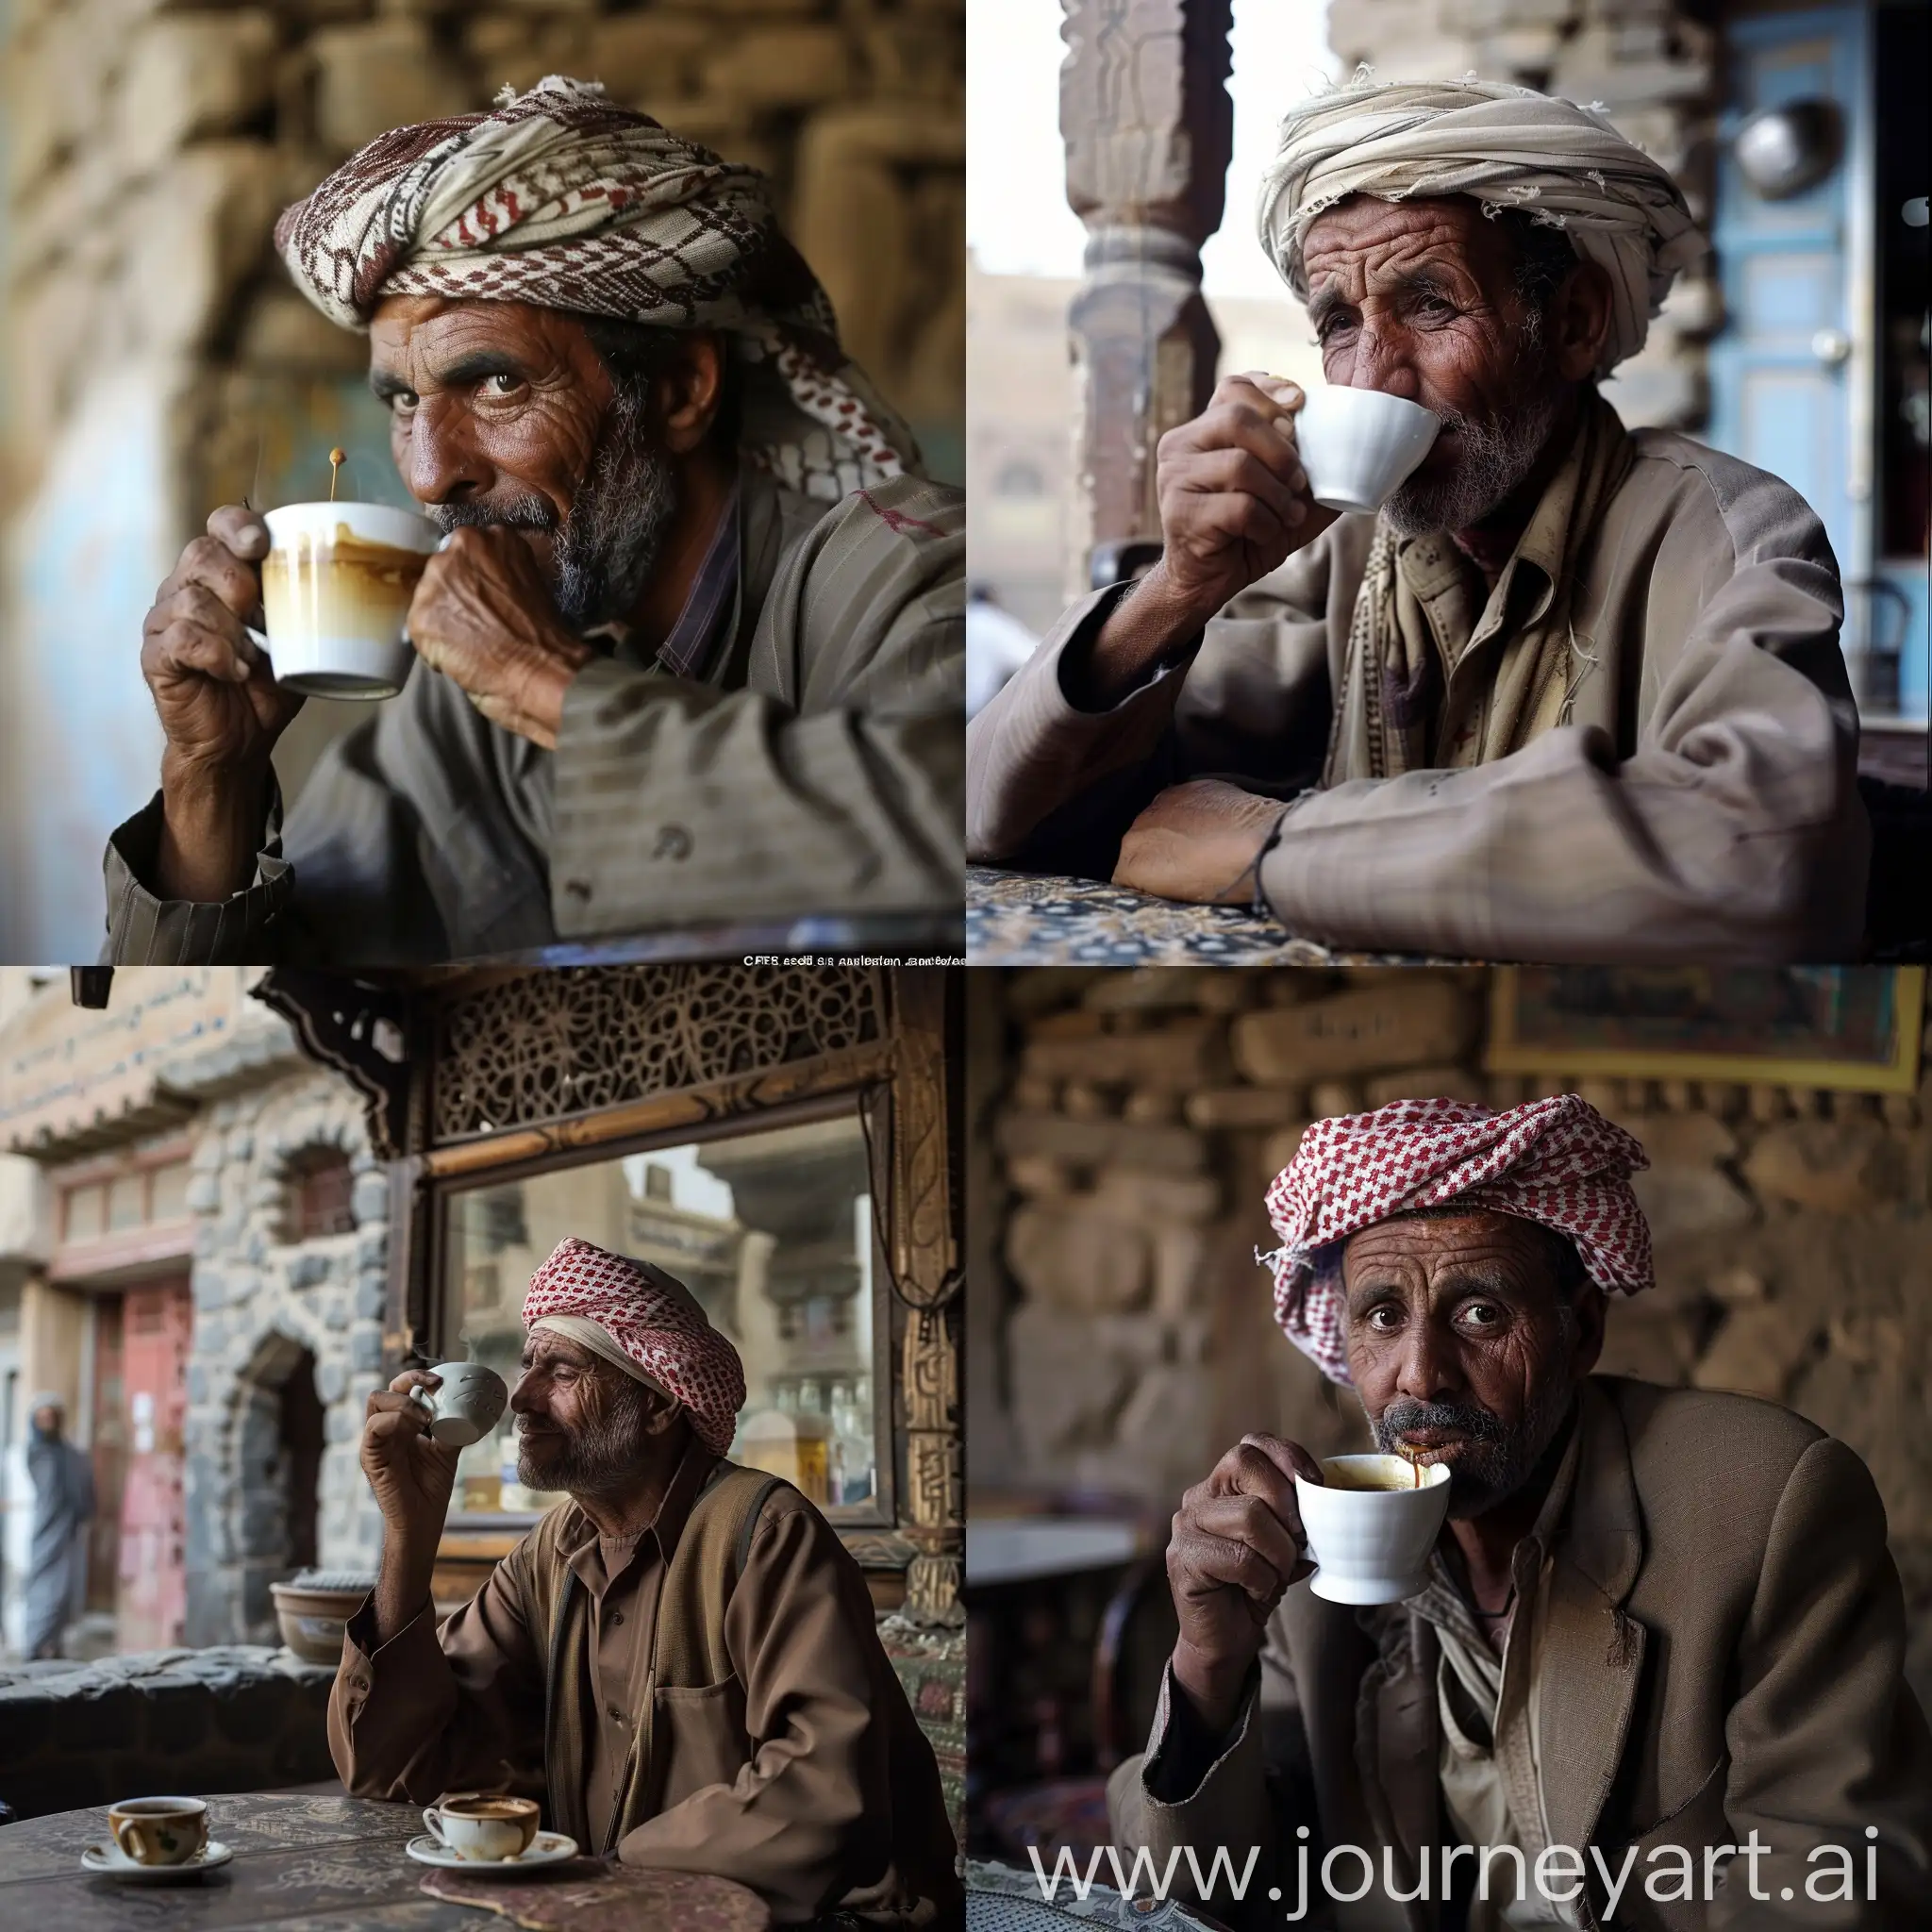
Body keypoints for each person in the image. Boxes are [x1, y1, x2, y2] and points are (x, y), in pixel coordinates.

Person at [968, 77, 1871, 963]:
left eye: (1431, 305)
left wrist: (1278, 848)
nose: (1370, 377)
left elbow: (1773, 860)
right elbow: (986, 809)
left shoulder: (1724, 530)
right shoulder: (1338, 550)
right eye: (1338, 324)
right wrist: (1177, 592)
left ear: (1574, 322)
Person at [108, 75, 963, 965]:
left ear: (679, 392)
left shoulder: (905, 575)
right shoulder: (461, 714)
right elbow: (285, 995)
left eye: (497, 383)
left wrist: (542, 682)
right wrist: (212, 780)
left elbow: (957, 853)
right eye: (404, 402)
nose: (433, 476)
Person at [1109, 1096, 1932, 1928]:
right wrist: (1209, 1663)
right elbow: (1210, 1893)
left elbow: (1841, 1880)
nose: (1421, 1374)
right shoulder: (1309, 1532)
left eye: (1479, 1313)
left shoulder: (1765, 1502)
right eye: (1384, 1317)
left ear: (1578, 1333)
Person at [330, 1236, 960, 1926]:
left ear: (660, 1404)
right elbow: (393, 1769)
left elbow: (823, 1796)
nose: (523, 1399)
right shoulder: (550, 1555)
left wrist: (605, 1874)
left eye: (563, 1371)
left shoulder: (763, 1534)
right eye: (528, 1364)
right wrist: (410, 1535)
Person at [24, 1394, 93, 1661]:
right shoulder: (38, 1454)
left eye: (51, 1417)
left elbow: (81, 1486)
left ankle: (52, 1643)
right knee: (43, 1589)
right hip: (47, 1532)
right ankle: (36, 1645)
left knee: (64, 1590)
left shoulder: (70, 1455)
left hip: (68, 1533)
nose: (47, 1423)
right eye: (41, 1418)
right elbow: (50, 1488)